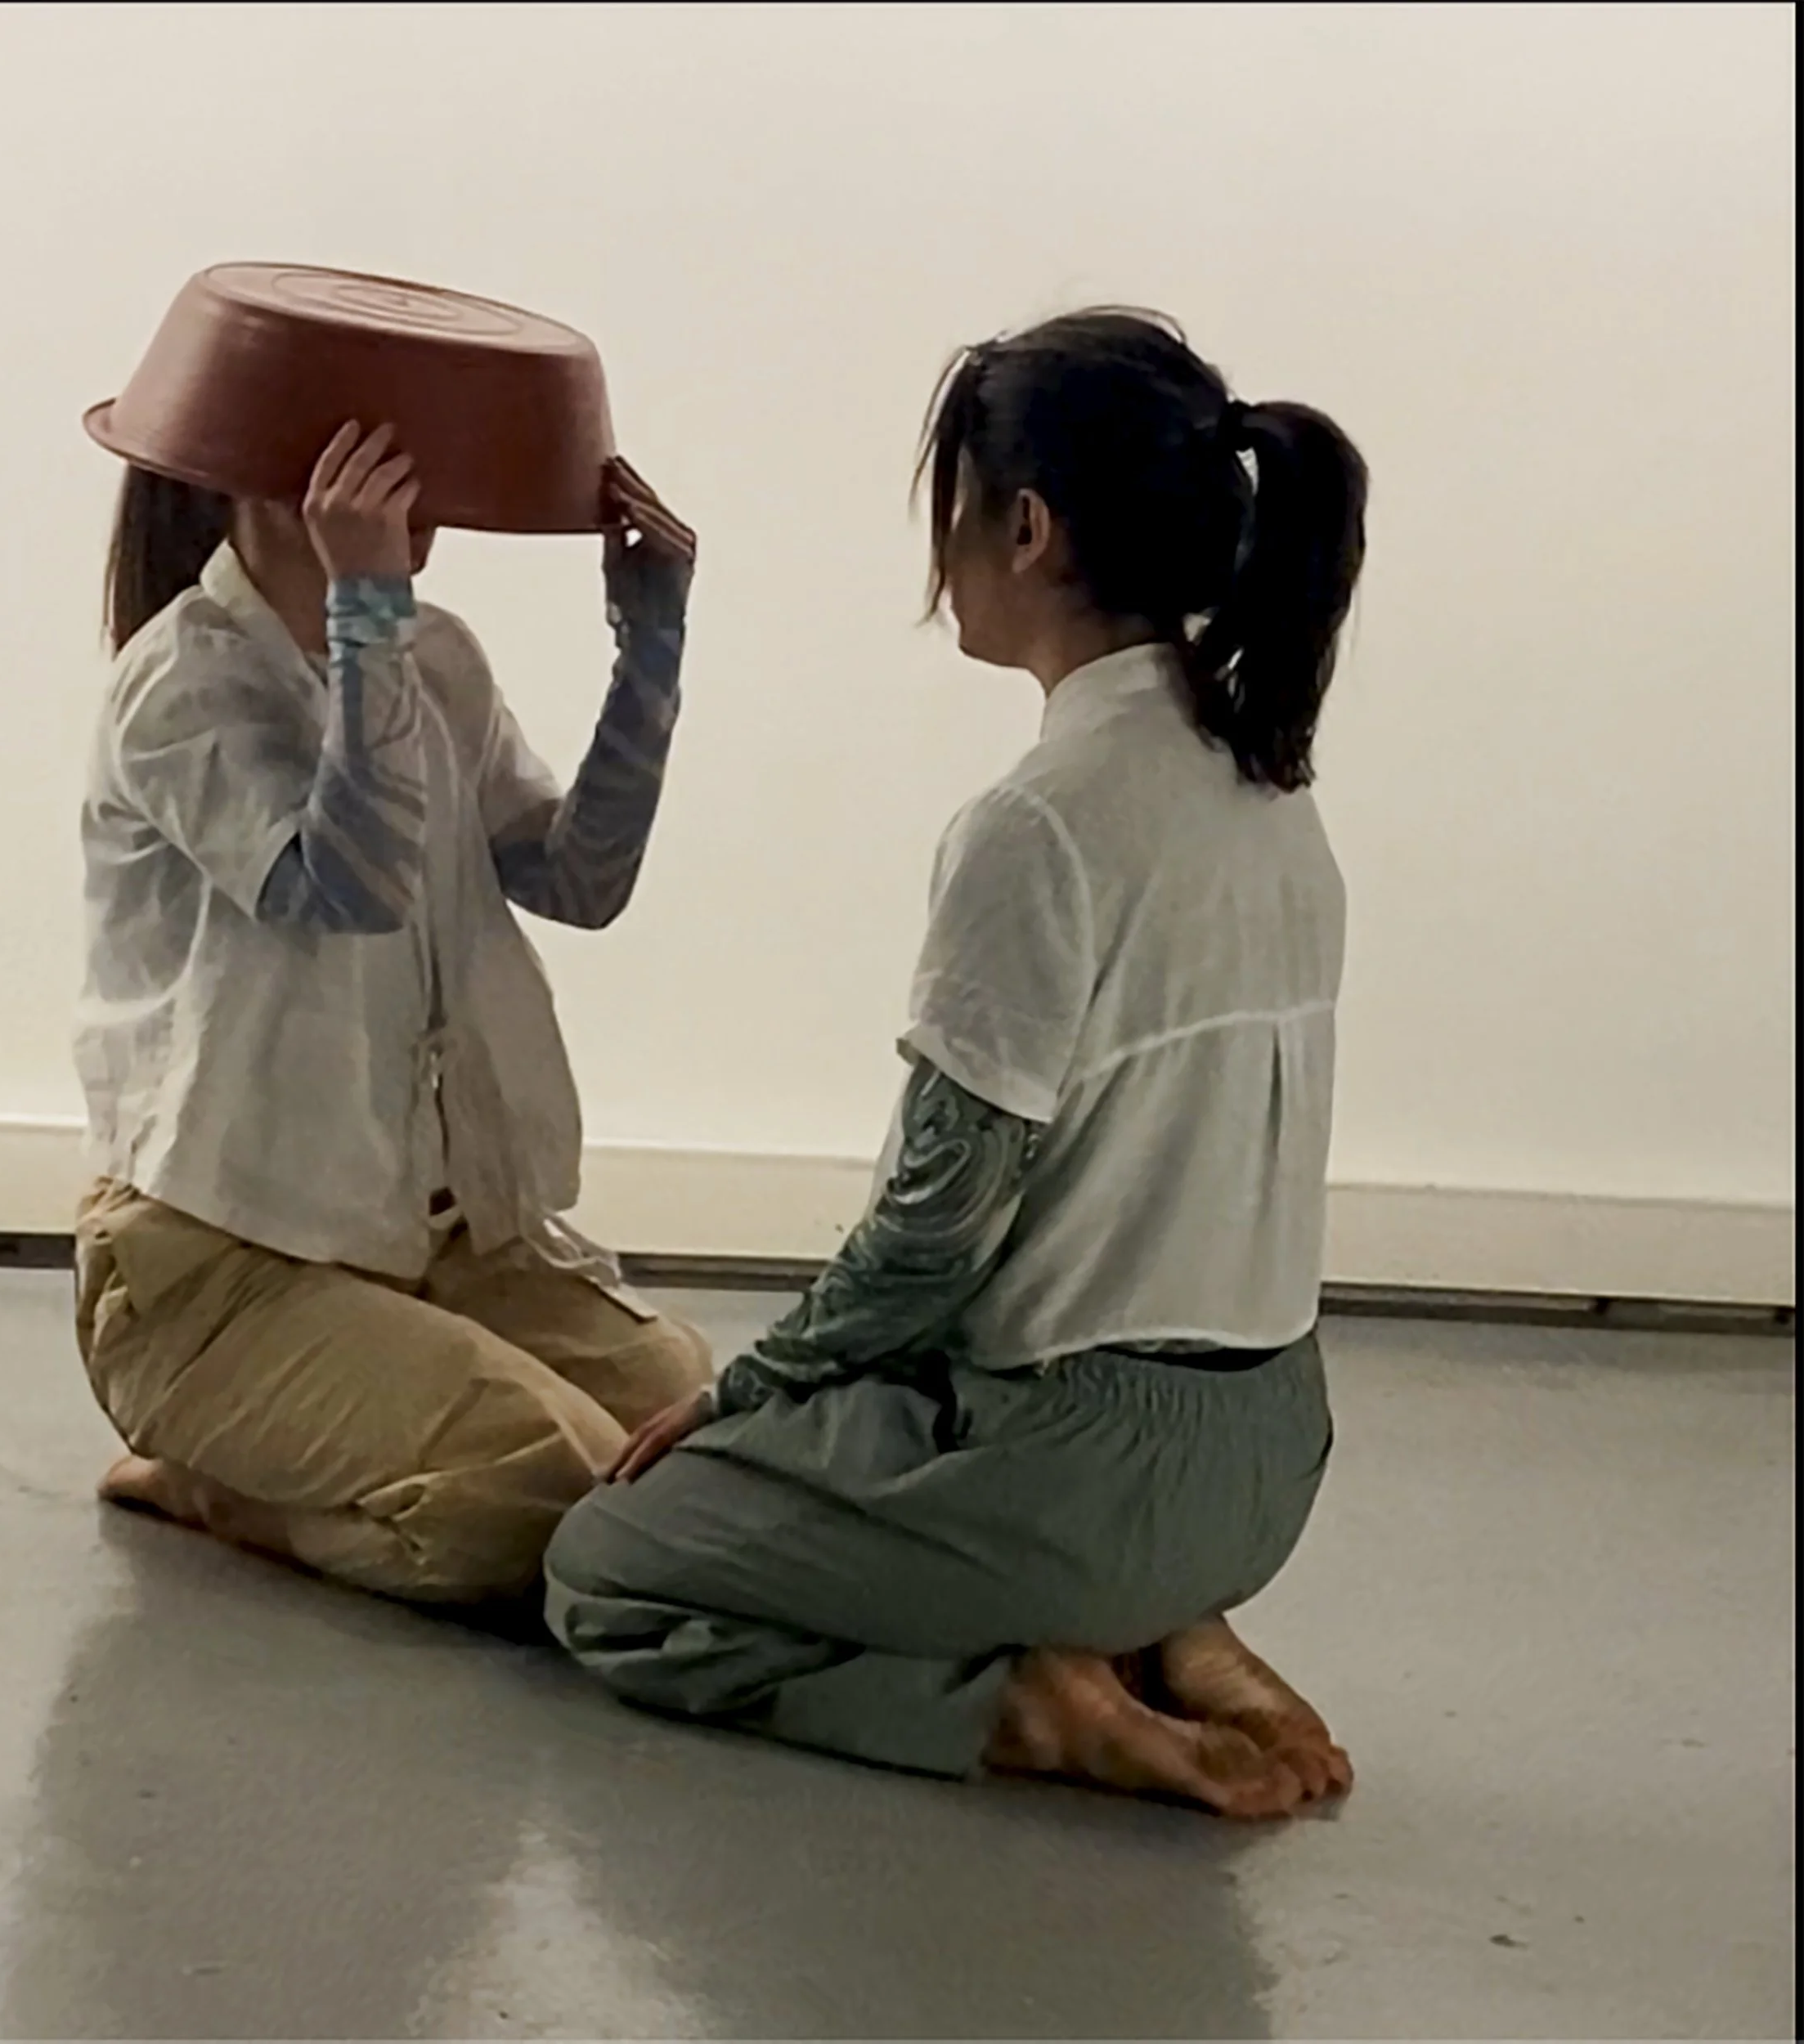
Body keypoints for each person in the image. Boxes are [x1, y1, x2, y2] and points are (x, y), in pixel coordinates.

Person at [545, 310, 1369, 1819]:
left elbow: (934, 1233)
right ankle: (1168, 1630)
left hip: (1084, 1473)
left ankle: (1033, 1705)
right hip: (1267, 1467)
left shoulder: (1039, 825)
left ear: (1029, 527)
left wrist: (746, 1390)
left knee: (605, 1571)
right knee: (871, 1416)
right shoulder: (1273, 792)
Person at [73, 419, 711, 1607]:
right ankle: (213, 1482)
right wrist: (366, 606)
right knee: (549, 1502)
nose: (438, 489)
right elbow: (345, 884)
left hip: (438, 1235)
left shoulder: (436, 661)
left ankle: (356, 1427)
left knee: (689, 1433)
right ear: (281, 476)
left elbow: (581, 879)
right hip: (220, 1272)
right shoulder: (181, 681)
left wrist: (648, 649)